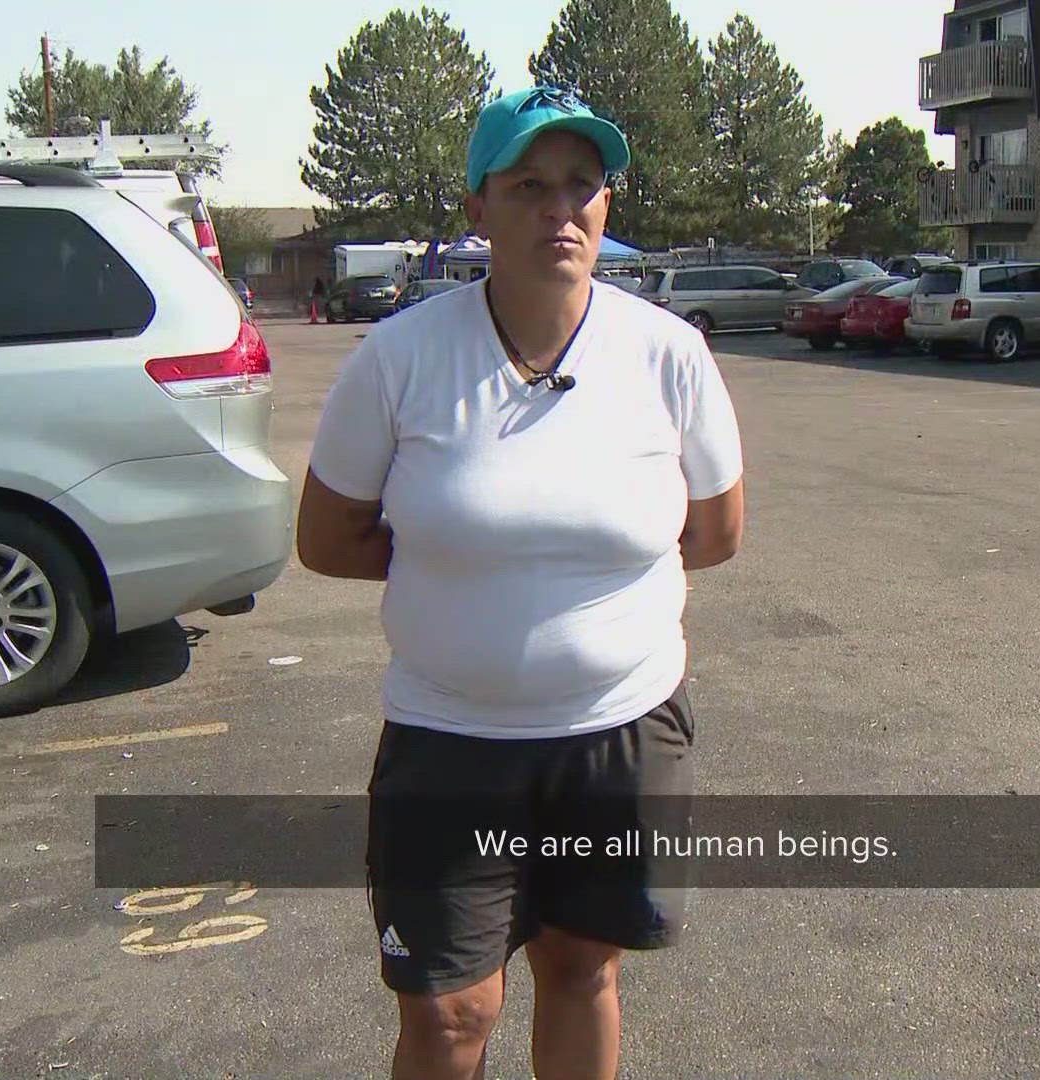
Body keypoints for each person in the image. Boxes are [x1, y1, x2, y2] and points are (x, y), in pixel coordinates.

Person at [297, 84, 745, 1080]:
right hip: (449, 742)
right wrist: (463, 558)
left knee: (584, 968)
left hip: (619, 733)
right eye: (529, 185)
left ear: (607, 206)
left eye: (582, 186)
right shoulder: (400, 358)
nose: (560, 208)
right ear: (477, 209)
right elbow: (327, 538)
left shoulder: (668, 355)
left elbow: (712, 532)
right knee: (450, 1012)